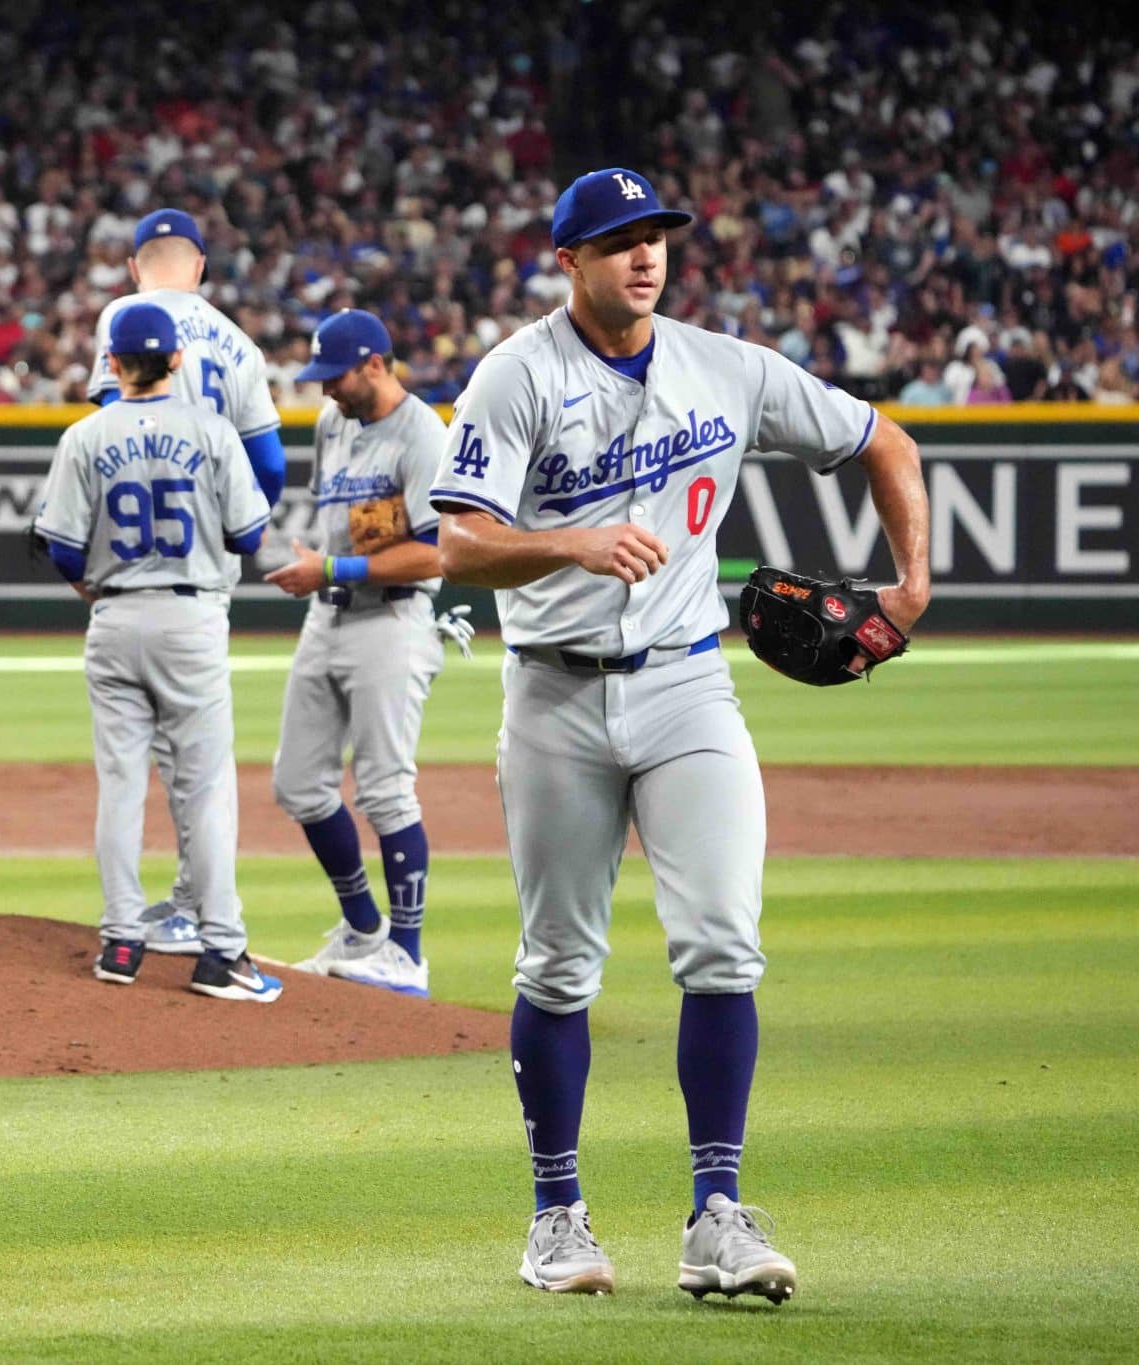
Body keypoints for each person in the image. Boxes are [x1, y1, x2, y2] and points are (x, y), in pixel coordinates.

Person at [431, 167, 930, 1302]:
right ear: (567, 261)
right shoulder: (515, 374)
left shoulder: (726, 366)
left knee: (723, 947)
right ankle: (555, 1217)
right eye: (615, 240)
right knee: (556, 964)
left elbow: (881, 443)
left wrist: (908, 589)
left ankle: (716, 1212)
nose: (643, 254)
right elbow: (458, 544)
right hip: (552, 696)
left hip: (686, 687)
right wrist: (567, 542)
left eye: (654, 234)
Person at [33, 302, 281, 1002]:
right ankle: (222, 949)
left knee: (119, 784)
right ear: (178, 359)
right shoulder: (212, 430)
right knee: (203, 789)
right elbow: (248, 536)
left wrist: (98, 586)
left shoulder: (84, 435)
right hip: (190, 617)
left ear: (112, 363)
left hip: (113, 616)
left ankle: (119, 940)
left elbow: (61, 547)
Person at [86, 207, 286, 956]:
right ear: (200, 265)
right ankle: (203, 920)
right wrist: (236, 520)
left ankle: (135, 925)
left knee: (132, 772)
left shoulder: (121, 316)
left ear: (136, 264)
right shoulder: (237, 342)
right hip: (201, 574)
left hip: (126, 572)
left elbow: (113, 433)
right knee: (201, 768)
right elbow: (268, 466)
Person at [262, 309, 467, 998]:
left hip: (394, 620)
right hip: (330, 617)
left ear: (376, 364)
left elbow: (438, 550)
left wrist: (333, 571)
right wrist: (324, 572)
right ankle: (361, 927)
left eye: (337, 374)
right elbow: (339, 525)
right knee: (297, 781)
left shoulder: (422, 434)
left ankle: (407, 954)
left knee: (383, 787)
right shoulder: (332, 425)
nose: (326, 389)